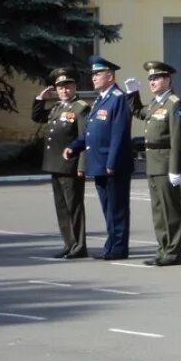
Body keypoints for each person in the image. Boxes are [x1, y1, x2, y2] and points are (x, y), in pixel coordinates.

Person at [64, 56, 133, 260]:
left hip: (113, 165)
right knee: (107, 207)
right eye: (93, 74)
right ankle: (111, 244)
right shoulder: (100, 99)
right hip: (99, 163)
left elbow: (118, 134)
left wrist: (112, 162)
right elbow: (90, 132)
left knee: (117, 208)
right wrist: (73, 147)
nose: (93, 78)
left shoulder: (118, 99)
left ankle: (119, 247)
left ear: (109, 76)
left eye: (97, 74)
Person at [126, 61, 181, 266]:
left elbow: (178, 139)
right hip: (152, 163)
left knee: (170, 209)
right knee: (158, 210)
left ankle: (173, 251)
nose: (152, 82)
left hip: (166, 162)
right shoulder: (154, 103)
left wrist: (176, 168)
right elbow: (138, 112)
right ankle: (162, 248)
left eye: (157, 78)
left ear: (167, 79)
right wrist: (133, 94)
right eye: (150, 79)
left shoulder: (174, 103)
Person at [32, 68, 90, 259]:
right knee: (61, 207)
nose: (64, 90)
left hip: (70, 164)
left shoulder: (80, 108)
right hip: (54, 164)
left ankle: (79, 245)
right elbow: (37, 117)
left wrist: (82, 165)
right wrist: (41, 99)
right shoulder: (57, 107)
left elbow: (84, 138)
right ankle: (69, 243)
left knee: (74, 206)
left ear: (74, 87)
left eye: (68, 86)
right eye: (60, 87)